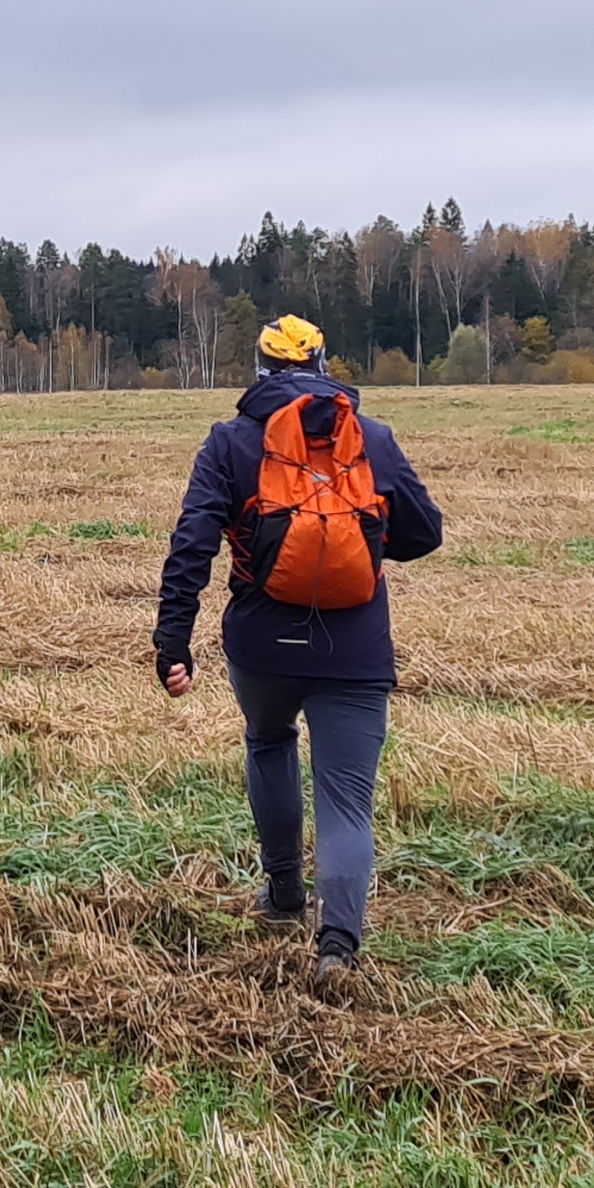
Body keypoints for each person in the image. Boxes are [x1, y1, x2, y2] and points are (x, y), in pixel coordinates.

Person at [153, 316, 444, 994]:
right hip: (355, 645)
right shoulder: (370, 437)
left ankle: (284, 894)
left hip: (261, 644)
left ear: (259, 369)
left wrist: (173, 639)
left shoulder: (230, 440)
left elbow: (192, 544)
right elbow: (425, 533)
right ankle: (337, 945)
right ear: (324, 363)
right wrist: (360, 546)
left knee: (268, 741)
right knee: (347, 800)